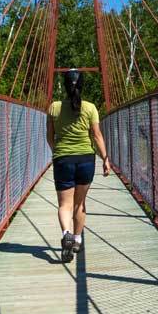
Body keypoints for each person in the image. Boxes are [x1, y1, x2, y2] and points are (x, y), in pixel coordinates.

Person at [47, 68, 112, 263]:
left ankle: (66, 233)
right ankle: (76, 239)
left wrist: (58, 153)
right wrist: (105, 159)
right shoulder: (90, 108)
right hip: (86, 160)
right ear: (81, 85)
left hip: (63, 160)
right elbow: (97, 136)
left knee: (64, 204)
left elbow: (50, 137)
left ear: (65, 86)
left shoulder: (54, 107)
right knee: (79, 204)